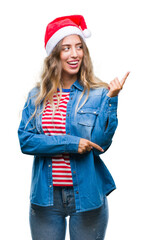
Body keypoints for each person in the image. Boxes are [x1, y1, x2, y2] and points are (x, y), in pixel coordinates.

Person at [18, 15, 130, 240]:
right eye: (66, 48)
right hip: (45, 198)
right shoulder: (36, 97)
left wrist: (111, 100)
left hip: (88, 195)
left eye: (79, 47)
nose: (74, 54)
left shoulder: (98, 94)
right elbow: (26, 141)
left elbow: (101, 144)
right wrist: (72, 143)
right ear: (54, 55)